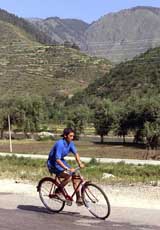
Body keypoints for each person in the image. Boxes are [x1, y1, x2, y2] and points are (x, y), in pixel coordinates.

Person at [47, 127, 85, 205]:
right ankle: (58, 191)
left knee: (76, 174)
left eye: (73, 136)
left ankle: (78, 197)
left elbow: (76, 154)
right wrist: (66, 168)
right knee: (69, 176)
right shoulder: (60, 144)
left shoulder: (70, 143)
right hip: (53, 163)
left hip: (61, 161)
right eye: (70, 136)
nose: (72, 138)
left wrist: (80, 163)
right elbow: (57, 159)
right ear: (65, 136)